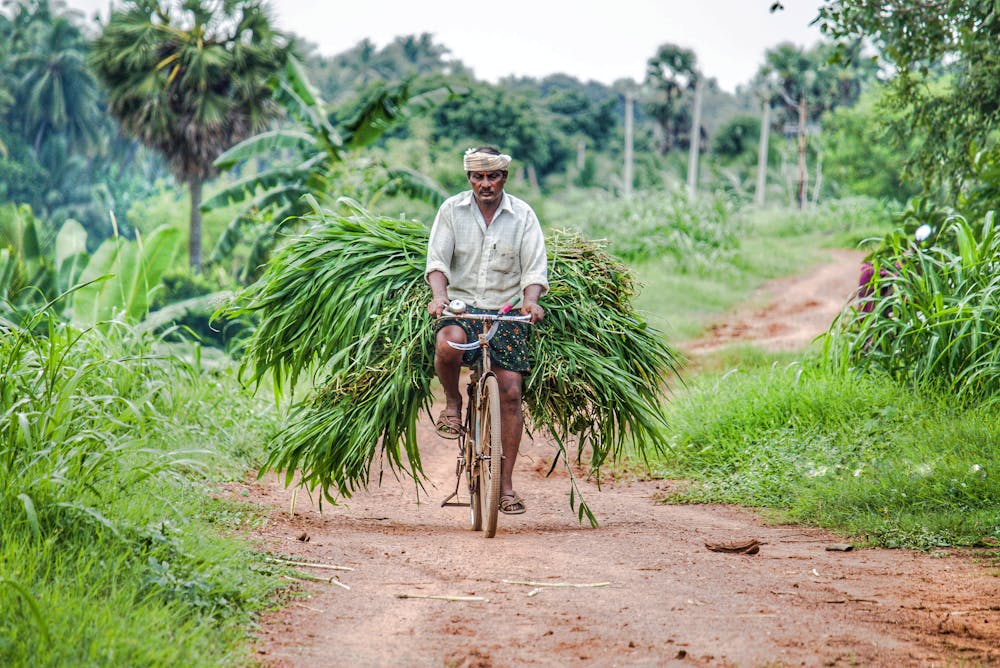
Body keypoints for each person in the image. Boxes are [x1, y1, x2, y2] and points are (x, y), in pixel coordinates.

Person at [425, 146, 548, 516]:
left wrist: (531, 300)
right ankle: (452, 402)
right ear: (469, 179)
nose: (485, 184)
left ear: (504, 178)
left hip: (505, 312)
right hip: (462, 307)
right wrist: (439, 297)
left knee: (510, 391)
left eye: (492, 176)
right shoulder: (451, 210)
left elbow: (534, 269)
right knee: (448, 344)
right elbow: (437, 262)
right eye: (478, 177)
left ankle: (505, 486)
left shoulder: (523, 215)